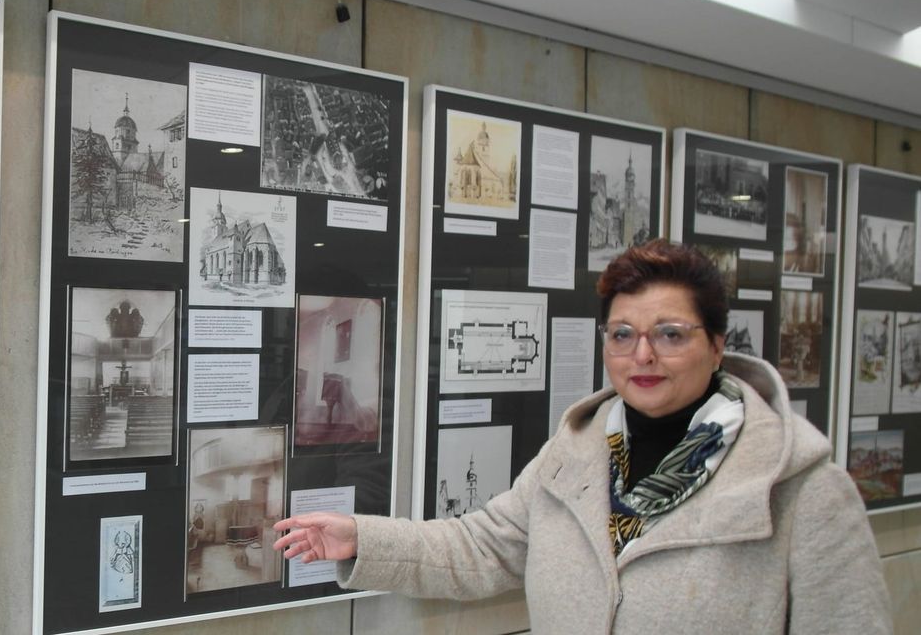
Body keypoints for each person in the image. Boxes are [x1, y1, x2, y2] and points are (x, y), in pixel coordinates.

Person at [274, 239, 891, 633]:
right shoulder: (577, 454)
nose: (642, 354)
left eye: (670, 334)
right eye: (622, 335)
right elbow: (485, 547)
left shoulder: (801, 488)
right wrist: (360, 538)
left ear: (718, 345)